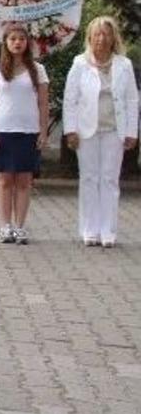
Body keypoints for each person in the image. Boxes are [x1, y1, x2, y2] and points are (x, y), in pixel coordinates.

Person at [63, 16, 139, 248]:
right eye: (96, 34)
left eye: (105, 34)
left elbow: (131, 99)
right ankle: (90, 230)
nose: (101, 38)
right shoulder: (79, 63)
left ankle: (108, 231)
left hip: (114, 130)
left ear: (112, 37)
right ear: (90, 37)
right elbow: (70, 99)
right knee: (88, 178)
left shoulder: (124, 65)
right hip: (86, 131)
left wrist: (132, 132)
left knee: (109, 179)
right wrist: (70, 130)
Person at [0, 25, 49, 245]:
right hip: (3, 132)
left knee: (23, 181)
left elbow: (43, 103)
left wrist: (43, 131)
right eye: (13, 39)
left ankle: (20, 226)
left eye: (21, 39)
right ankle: (5, 226)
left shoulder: (37, 70)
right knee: (4, 181)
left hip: (28, 132)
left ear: (27, 43)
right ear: (6, 43)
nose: (17, 42)